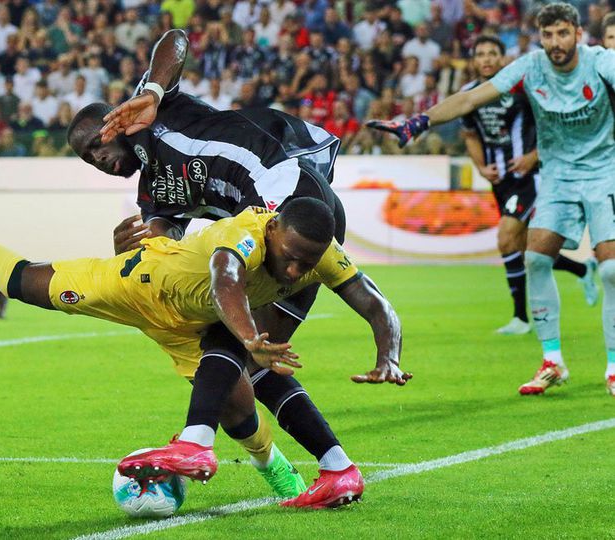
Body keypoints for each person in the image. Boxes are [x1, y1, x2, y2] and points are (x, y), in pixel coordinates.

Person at [0, 198, 411, 509]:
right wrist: (248, 336)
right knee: (23, 282)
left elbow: (375, 302)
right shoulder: (245, 232)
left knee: (239, 399)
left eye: (306, 263)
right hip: (139, 284)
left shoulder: (319, 253)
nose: (294, 270)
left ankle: (303, 477)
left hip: (194, 327)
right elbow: (226, 280)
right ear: (274, 230)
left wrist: (389, 354)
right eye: (289, 256)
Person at [70, 29, 407, 507]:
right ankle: (337, 469)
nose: (97, 160)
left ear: (114, 123)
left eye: (96, 146)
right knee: (253, 353)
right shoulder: (154, 194)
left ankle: (197, 441)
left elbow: (175, 40)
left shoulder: (152, 111)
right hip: (284, 221)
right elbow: (165, 257)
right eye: (87, 159)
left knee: (229, 334)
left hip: (290, 200)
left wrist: (152, 91)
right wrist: (131, 254)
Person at [368, 2, 615, 397]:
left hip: (604, 172)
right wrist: (418, 122)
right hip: (557, 177)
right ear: (540, 37)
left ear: (578, 34)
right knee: (535, 259)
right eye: (548, 35)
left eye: (563, 33)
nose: (555, 42)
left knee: (611, 271)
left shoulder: (601, 62)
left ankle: (614, 366)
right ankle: (552, 361)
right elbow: (471, 99)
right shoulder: (531, 67)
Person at [462, 35, 598, 335]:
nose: (486, 59)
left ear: (502, 58)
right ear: (474, 60)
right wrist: (481, 167)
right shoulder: (470, 94)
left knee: (506, 237)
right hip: (501, 182)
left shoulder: (521, 88)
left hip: (530, 177)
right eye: (480, 54)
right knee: (524, 248)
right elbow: (470, 135)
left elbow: (554, 124)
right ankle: (582, 269)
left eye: (492, 53)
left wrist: (532, 156)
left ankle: (521, 319)